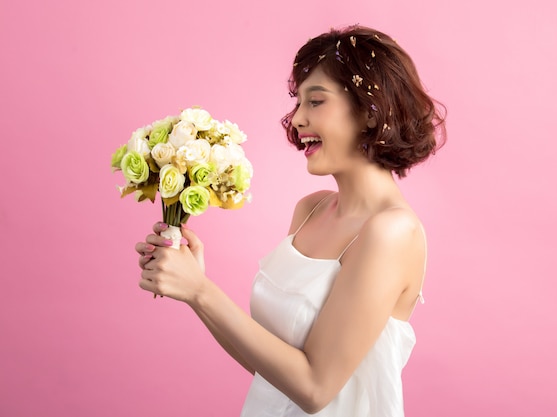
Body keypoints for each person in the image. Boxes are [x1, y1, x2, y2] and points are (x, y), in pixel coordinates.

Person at [136, 24, 446, 416]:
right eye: (297, 102)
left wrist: (201, 291)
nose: (297, 119)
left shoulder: (393, 231)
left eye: (315, 101)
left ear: (370, 113)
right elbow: (270, 368)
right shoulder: (310, 210)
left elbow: (316, 389)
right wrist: (193, 286)